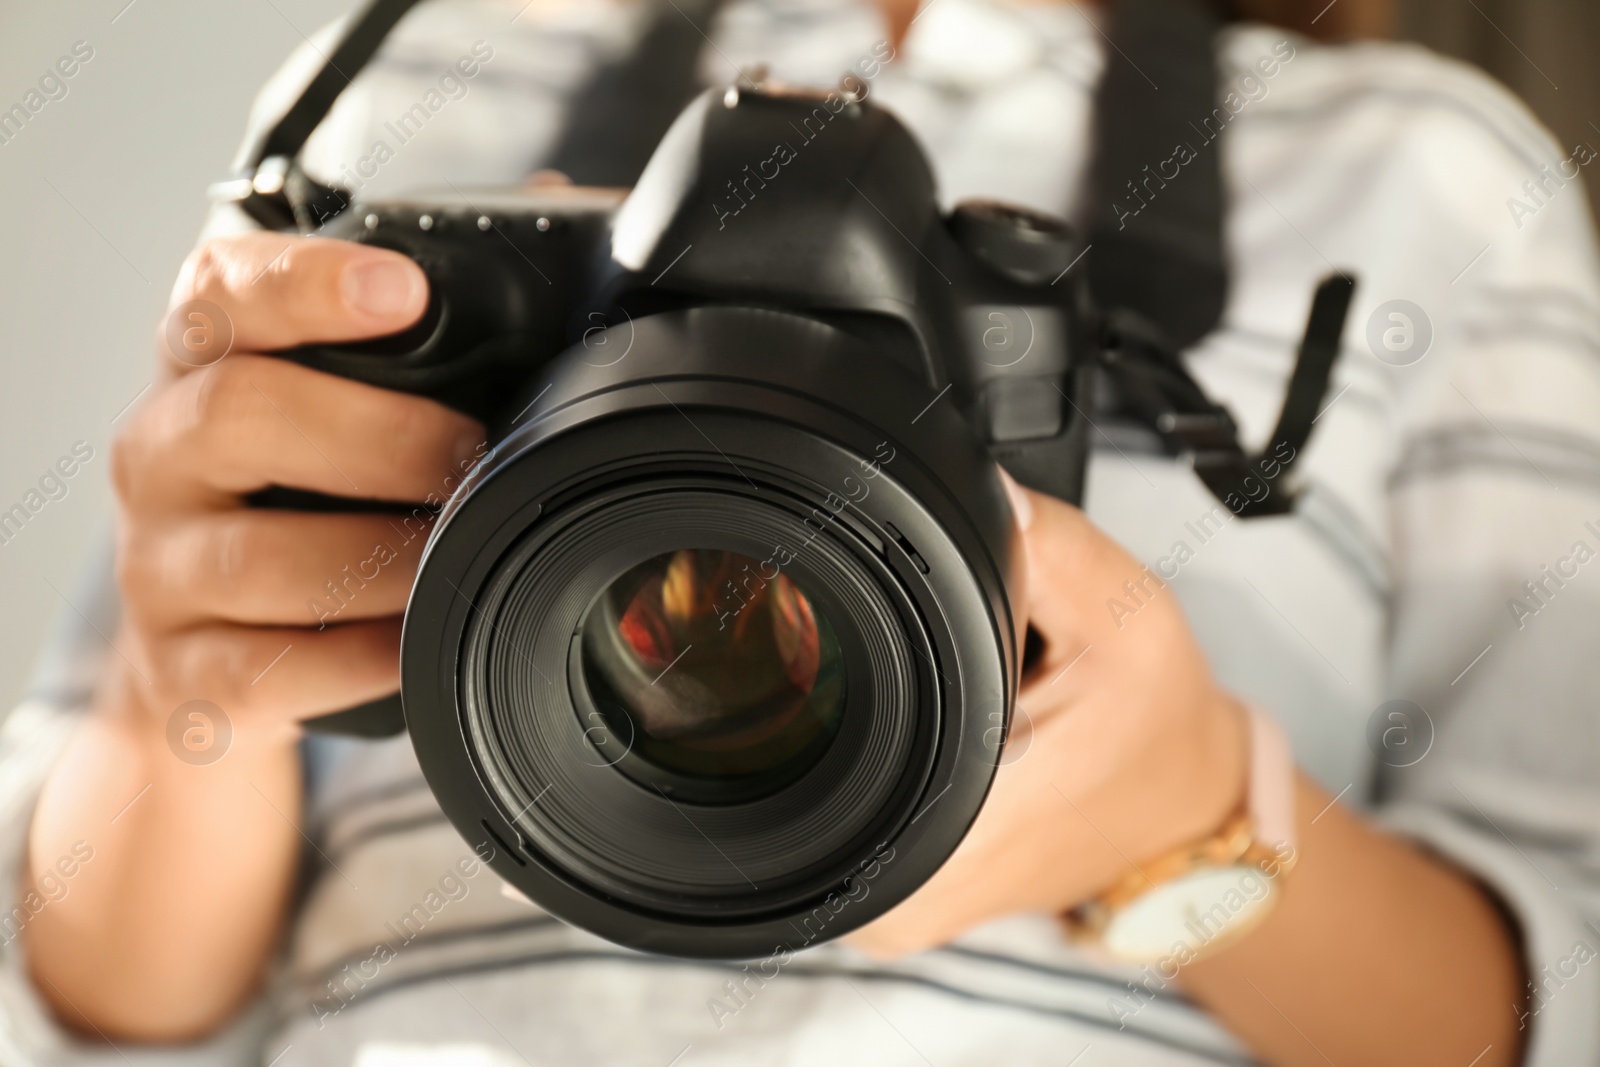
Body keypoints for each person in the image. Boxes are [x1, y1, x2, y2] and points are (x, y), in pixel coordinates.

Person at [5, 0, 1600, 1063]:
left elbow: (1555, 992)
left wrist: (1185, 819)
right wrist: (171, 697)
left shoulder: (1435, 182)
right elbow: (95, 990)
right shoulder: (417, 78)